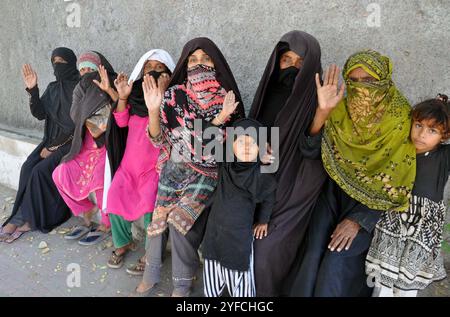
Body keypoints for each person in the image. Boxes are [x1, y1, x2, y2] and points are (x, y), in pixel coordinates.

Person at [291, 50, 417, 297]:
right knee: (313, 254)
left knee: (336, 264)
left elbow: (400, 182)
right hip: (331, 196)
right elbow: (308, 151)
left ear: (384, 80)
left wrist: (360, 220)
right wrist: (323, 112)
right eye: (354, 81)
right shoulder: (341, 110)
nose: (361, 88)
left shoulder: (401, 119)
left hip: (373, 208)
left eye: (369, 81)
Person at [136, 37, 245, 297]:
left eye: (206, 59)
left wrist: (216, 123)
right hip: (174, 168)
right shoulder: (175, 96)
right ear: (185, 65)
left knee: (178, 221)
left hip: (208, 172)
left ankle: (182, 285)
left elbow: (222, 149)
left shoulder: (226, 98)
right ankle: (149, 276)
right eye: (193, 60)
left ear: (216, 63)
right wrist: (153, 110)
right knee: (159, 216)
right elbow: (160, 139)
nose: (199, 65)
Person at [248, 30, 327, 296]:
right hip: (258, 183)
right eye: (286, 60)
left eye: (301, 63)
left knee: (264, 255)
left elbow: (314, 156)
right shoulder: (266, 93)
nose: (293, 67)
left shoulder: (319, 100)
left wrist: (322, 114)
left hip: (295, 187)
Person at [366, 95, 450, 297]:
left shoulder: (444, 156)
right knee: (382, 284)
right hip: (392, 225)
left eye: (432, 131)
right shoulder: (400, 148)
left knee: (408, 288)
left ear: (445, 136)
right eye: (418, 125)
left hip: (424, 230)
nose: (422, 134)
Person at [104, 49, 175, 271]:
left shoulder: (174, 98)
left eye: (159, 68)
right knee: (114, 197)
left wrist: (163, 97)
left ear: (169, 73)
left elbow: (173, 130)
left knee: (148, 209)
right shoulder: (134, 98)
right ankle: (123, 243)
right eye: (148, 68)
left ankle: (152, 253)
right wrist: (123, 97)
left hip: (154, 169)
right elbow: (121, 123)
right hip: (129, 166)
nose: (153, 72)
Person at [1, 48, 80, 243]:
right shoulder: (53, 88)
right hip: (50, 140)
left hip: (71, 143)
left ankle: (30, 219)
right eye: (54, 61)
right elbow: (40, 114)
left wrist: (54, 148)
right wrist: (33, 89)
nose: (57, 65)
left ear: (71, 63)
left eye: (62, 61)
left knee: (39, 172)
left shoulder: (79, 88)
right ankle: (18, 216)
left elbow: (75, 126)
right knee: (28, 166)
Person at [202, 118, 277, 297]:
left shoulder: (260, 175)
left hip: (239, 238)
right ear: (231, 144)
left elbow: (269, 196)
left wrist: (263, 221)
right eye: (241, 140)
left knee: (240, 279)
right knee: (212, 272)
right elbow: (205, 138)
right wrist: (221, 116)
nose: (245, 146)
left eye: (253, 142)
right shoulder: (225, 163)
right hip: (214, 232)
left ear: (261, 147)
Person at [52, 52, 118, 246]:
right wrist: (87, 98)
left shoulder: (111, 82)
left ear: (100, 68)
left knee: (99, 180)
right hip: (85, 144)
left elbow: (121, 109)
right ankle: (85, 210)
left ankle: (106, 224)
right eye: (83, 70)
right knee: (59, 173)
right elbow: (75, 115)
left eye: (91, 69)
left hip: (105, 143)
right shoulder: (80, 88)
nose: (87, 73)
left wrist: (107, 90)